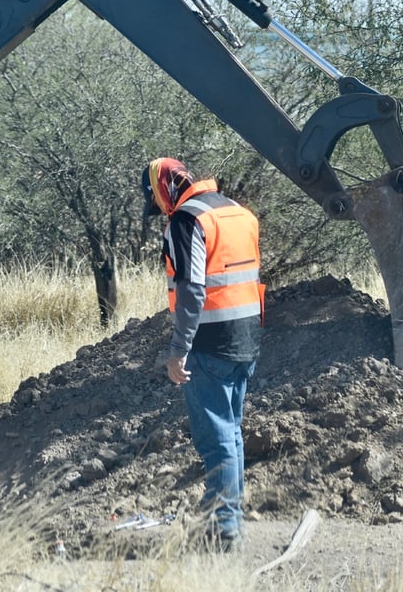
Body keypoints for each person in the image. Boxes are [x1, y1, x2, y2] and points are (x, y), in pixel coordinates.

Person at [141, 157, 264, 552]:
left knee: (216, 438)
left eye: (159, 201)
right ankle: (230, 522)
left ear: (165, 190)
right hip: (247, 337)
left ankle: (223, 531)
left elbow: (192, 289)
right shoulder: (238, 212)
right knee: (231, 432)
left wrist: (178, 350)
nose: (162, 210)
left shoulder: (186, 219)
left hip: (208, 342)